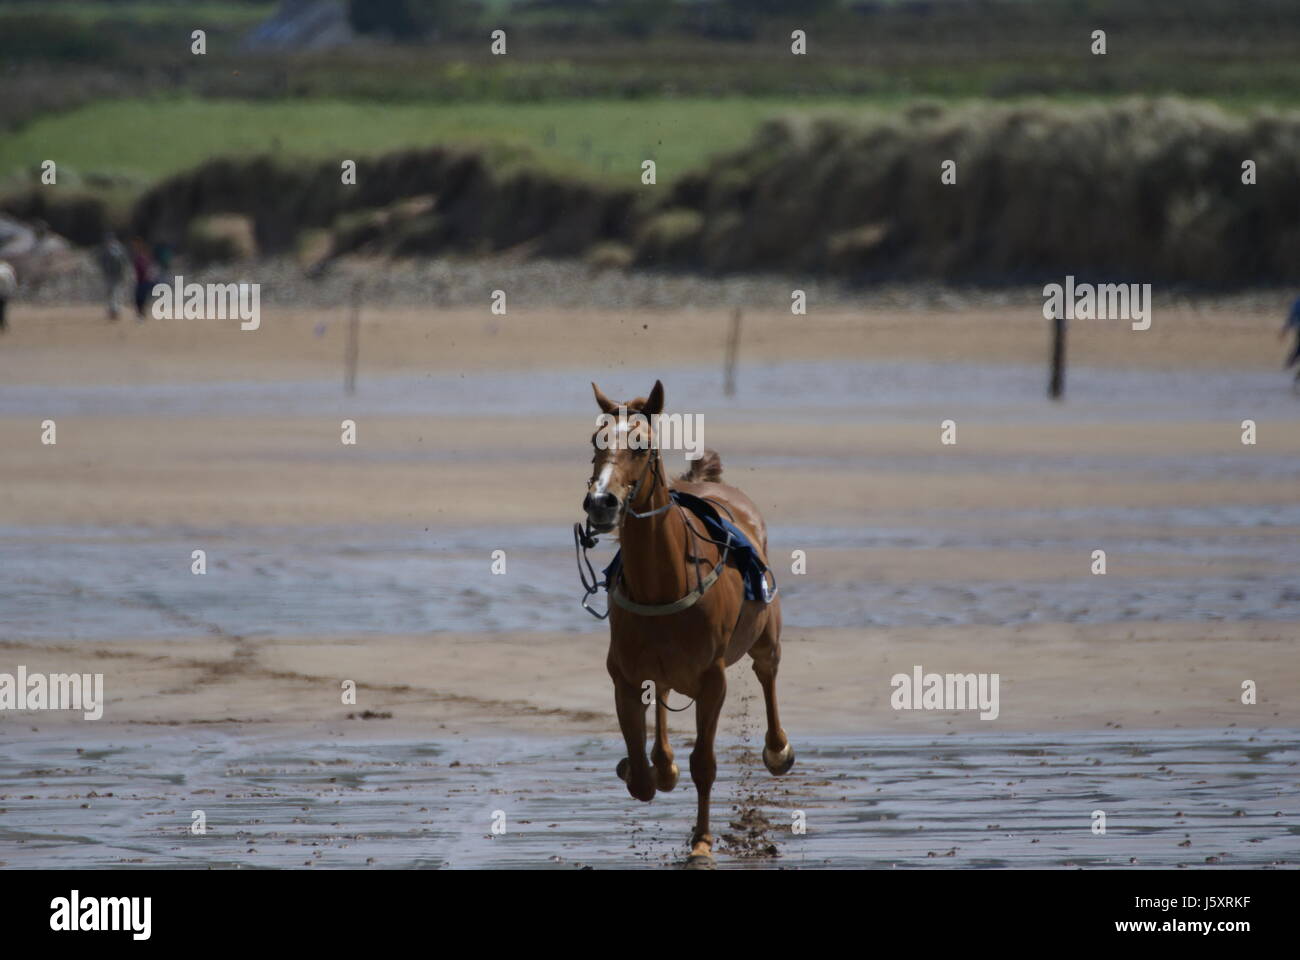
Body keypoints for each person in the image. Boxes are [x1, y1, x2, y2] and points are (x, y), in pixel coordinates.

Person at [97, 232, 130, 321]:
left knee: (114, 292)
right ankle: (114, 311)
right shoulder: (119, 249)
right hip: (113, 274)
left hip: (114, 274)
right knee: (113, 293)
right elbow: (124, 261)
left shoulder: (112, 249)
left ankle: (114, 311)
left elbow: (103, 261)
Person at [130, 236, 156, 321]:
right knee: (138, 299)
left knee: (141, 299)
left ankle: (141, 315)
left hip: (144, 281)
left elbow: (147, 269)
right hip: (139, 281)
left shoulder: (143, 258)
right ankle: (140, 315)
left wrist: (148, 278)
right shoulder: (138, 257)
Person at [0, 259, 15, 332]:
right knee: (3, 310)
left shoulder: (4, 270)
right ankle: (3, 325)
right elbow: (12, 283)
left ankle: (3, 325)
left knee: (2, 310)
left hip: (2, 293)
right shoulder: (8, 270)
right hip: (5, 293)